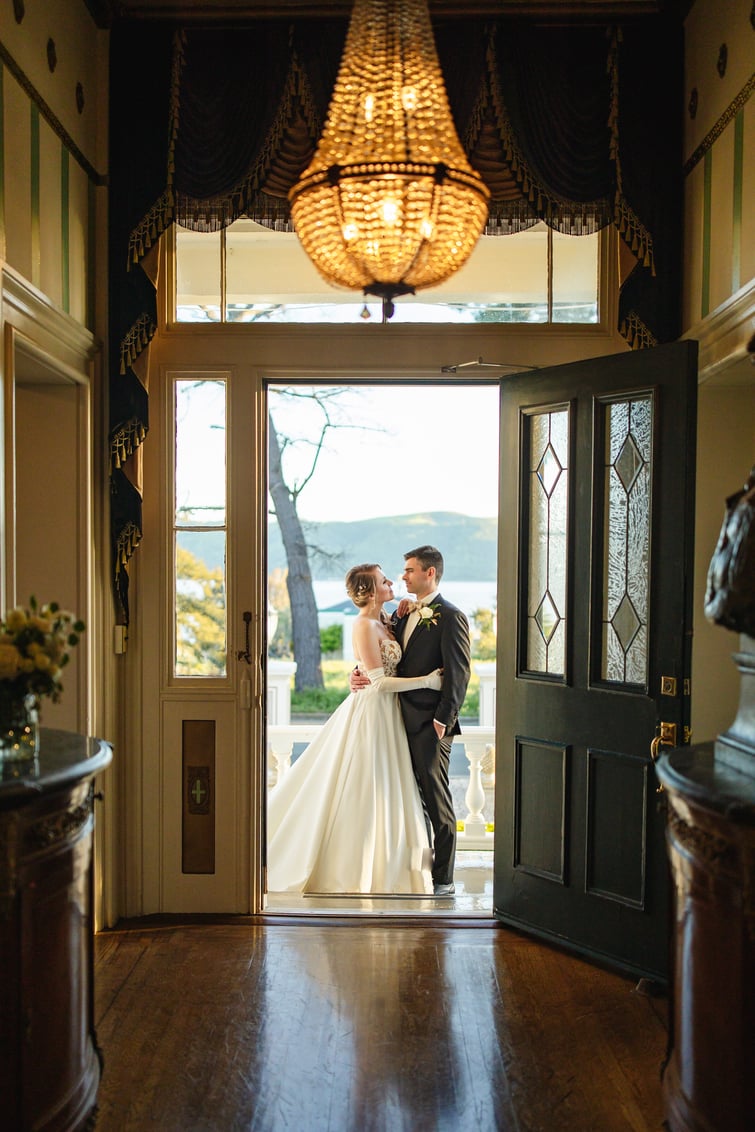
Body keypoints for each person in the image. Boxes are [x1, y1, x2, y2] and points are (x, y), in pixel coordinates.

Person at [266, 564, 443, 895]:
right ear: (373, 591)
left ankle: (395, 865)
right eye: (384, 579)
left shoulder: (387, 619)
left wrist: (406, 610)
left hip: (392, 714)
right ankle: (353, 870)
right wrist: (429, 681)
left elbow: (381, 660)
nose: (392, 581)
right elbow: (376, 682)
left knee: (393, 786)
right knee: (365, 785)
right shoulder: (363, 625)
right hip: (373, 713)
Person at [350, 545, 471, 896]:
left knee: (437, 801)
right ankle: (411, 872)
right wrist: (355, 674)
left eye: (409, 570)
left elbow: (459, 675)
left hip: (429, 724)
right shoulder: (399, 615)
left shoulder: (450, 616)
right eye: (400, 572)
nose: (402, 576)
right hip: (392, 720)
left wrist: (442, 721)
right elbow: (381, 661)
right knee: (406, 800)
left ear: (429, 573)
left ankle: (443, 880)